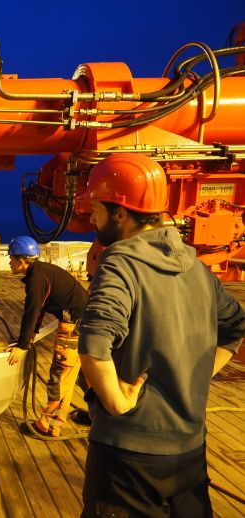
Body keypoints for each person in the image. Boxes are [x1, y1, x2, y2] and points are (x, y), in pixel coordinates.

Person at [76, 153, 245, 517]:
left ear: (120, 213)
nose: (91, 217)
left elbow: (93, 345)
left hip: (129, 461)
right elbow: (235, 328)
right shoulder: (198, 269)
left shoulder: (120, 262)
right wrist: (200, 372)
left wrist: (118, 403)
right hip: (188, 452)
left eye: (96, 208)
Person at [6, 235, 89, 437]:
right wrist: (31, 334)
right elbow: (41, 306)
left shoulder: (36, 278)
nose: (9, 262)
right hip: (88, 324)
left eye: (11, 258)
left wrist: (22, 345)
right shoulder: (42, 272)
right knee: (87, 375)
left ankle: (49, 425)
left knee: (60, 377)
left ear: (21, 260)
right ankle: (101, 415)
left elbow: (32, 310)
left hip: (75, 327)